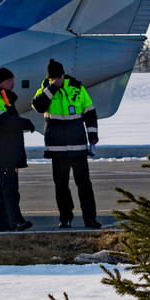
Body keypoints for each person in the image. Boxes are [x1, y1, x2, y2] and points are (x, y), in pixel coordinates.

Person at [32, 58, 100, 229]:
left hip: (78, 147)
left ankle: (90, 218)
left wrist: (93, 136)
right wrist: (53, 87)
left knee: (84, 184)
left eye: (57, 78)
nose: (54, 81)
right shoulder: (45, 91)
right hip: (57, 149)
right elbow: (38, 106)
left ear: (63, 76)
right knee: (61, 185)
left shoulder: (77, 89)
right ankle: (65, 218)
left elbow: (90, 113)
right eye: (51, 79)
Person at [0, 67, 35, 232]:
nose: (13, 83)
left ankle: (3, 223)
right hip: (2, 150)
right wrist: (24, 123)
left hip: (6, 149)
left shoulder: (3, 98)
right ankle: (17, 221)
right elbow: (2, 121)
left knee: (5, 188)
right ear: (1, 81)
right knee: (10, 188)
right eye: (10, 79)